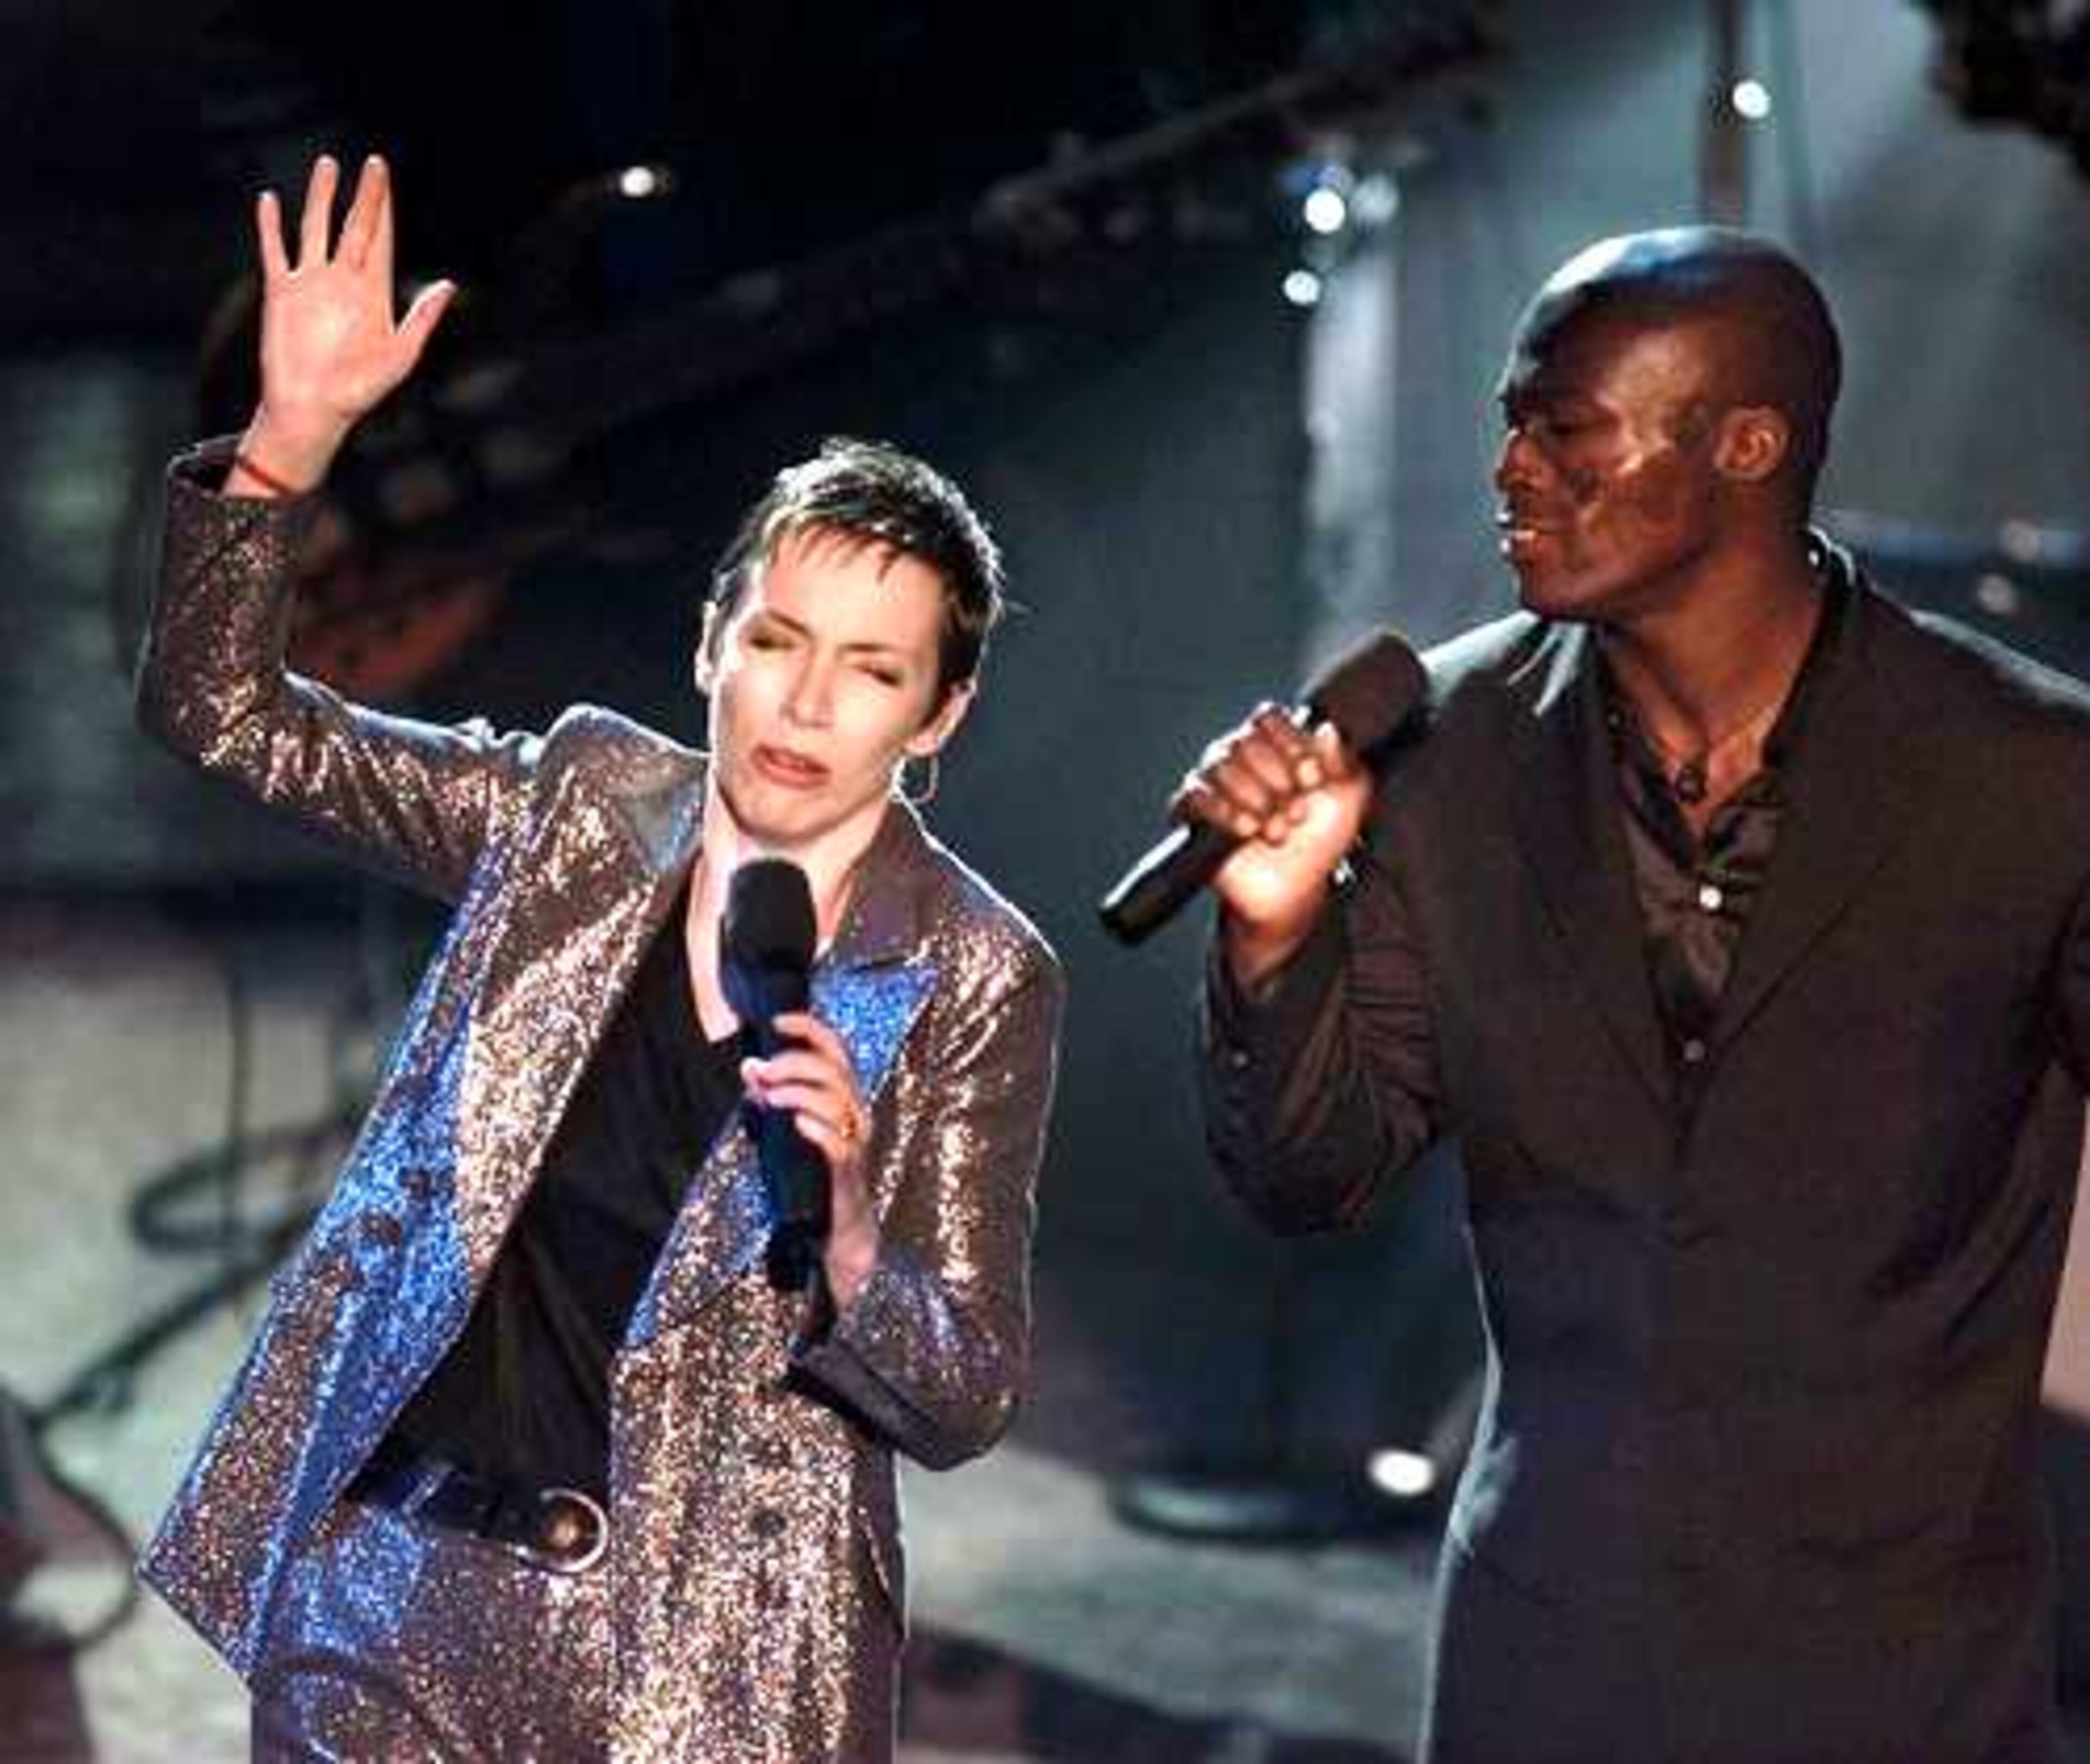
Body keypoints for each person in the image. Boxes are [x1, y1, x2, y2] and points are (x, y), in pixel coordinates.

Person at [136, 152, 1064, 1762]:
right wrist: (292, 443)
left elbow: (963, 1388)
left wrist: (847, 1231)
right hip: (395, 1592)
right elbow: (226, 718)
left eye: (870, 670)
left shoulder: (975, 969)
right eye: (775, 643)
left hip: (697, 1673)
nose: (802, 705)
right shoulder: (578, 803)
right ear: (712, 639)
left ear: (940, 715)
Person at [1184, 225, 2090, 1761]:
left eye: (1566, 428)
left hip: (1903, 1678)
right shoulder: (1445, 750)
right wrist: (1277, 941)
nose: (1513, 469)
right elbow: (1309, 1174)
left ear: (1748, 444)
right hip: (1551, 1663)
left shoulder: (2028, 776)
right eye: (1509, 424)